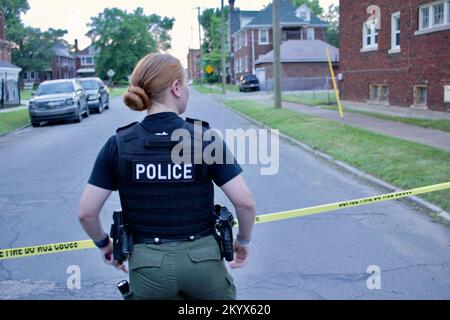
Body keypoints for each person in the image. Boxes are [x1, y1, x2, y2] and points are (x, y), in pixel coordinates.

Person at [77, 53, 256, 300]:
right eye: (185, 84)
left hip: (148, 267)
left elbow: (86, 212)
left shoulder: (119, 144)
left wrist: (104, 245)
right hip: (204, 263)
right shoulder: (204, 138)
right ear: (175, 87)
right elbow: (245, 202)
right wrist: (243, 242)